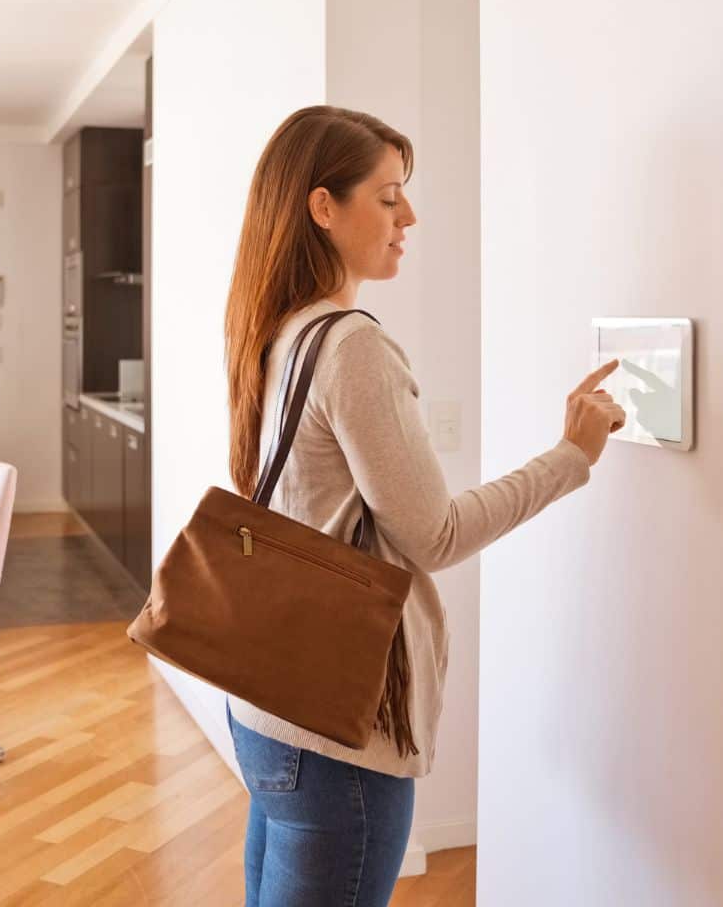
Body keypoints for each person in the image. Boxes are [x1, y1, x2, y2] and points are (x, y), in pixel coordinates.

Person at [222, 105, 624, 907]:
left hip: (262, 702)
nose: (411, 216)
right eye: (389, 195)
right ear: (323, 207)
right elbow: (433, 536)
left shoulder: (277, 334)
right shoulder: (351, 346)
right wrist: (570, 457)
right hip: (335, 728)